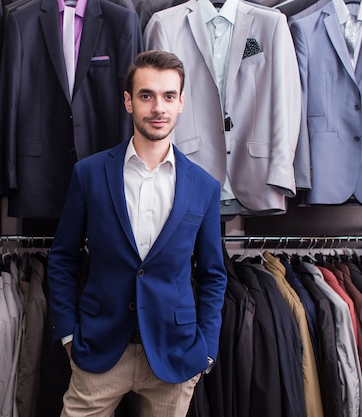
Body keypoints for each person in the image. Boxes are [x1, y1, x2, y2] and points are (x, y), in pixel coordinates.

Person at [47, 50, 228, 417]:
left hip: (173, 357)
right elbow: (62, 258)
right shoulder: (90, 174)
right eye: (146, 95)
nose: (157, 107)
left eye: (168, 96)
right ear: (129, 101)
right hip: (98, 350)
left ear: (180, 103)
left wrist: (206, 349)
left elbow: (213, 275)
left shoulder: (204, 187)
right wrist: (67, 334)